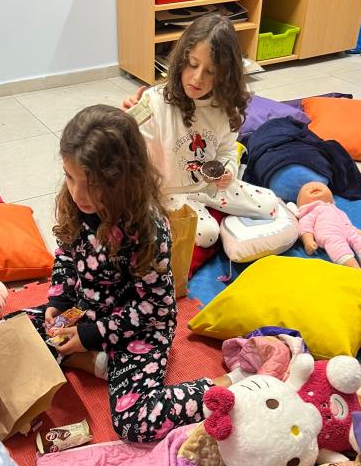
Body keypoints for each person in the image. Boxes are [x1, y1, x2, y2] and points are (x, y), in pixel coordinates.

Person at [45, 105, 241, 444]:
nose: (78, 194)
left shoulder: (146, 227)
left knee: (135, 422)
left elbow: (156, 308)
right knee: (19, 333)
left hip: (140, 327)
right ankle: (100, 362)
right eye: (70, 177)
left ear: (123, 178)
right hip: (87, 312)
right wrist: (59, 303)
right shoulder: (74, 205)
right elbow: (65, 254)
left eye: (92, 185)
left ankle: (223, 387)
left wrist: (92, 335)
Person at [122, 13, 278, 248]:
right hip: (170, 191)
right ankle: (211, 220)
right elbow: (124, 146)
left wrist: (228, 172)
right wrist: (127, 118)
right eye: (193, 65)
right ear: (181, 60)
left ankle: (218, 215)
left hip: (209, 186)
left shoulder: (226, 107)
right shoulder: (156, 100)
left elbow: (227, 150)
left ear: (225, 75)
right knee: (207, 235)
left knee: (271, 204)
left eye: (210, 72)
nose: (197, 78)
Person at [294, 181, 361, 271]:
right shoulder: (310, 212)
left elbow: (348, 225)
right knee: (338, 248)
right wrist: (308, 240)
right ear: (300, 203)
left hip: (348, 232)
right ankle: (355, 269)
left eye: (321, 186)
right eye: (306, 189)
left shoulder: (337, 210)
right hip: (330, 234)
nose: (314, 187)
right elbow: (305, 227)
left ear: (331, 197)